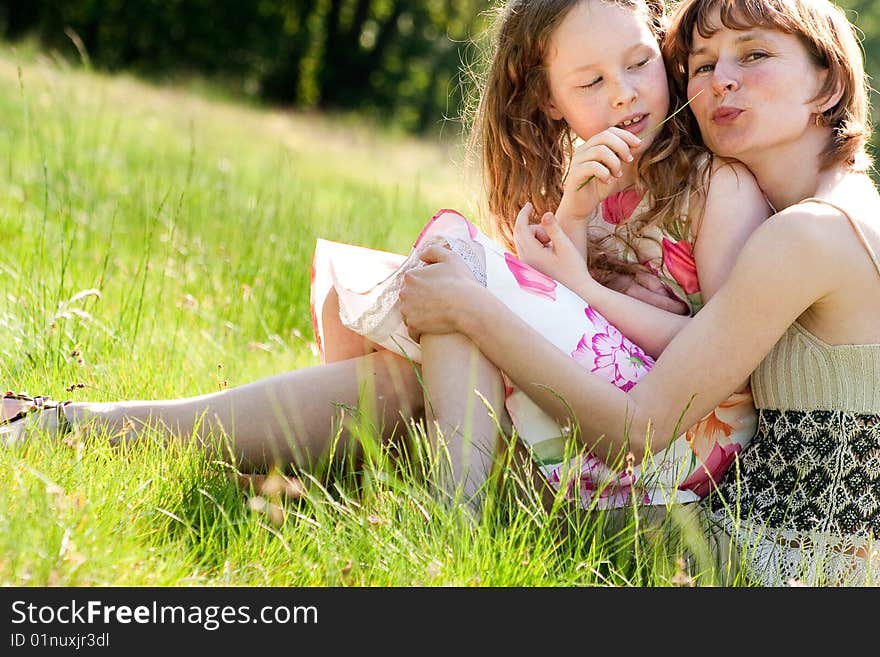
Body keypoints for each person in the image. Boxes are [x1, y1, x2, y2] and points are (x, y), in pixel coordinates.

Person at [2, 0, 769, 514]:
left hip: (674, 451)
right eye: (591, 82)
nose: (625, 94)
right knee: (404, 365)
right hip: (574, 419)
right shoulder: (577, 183)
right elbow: (543, 318)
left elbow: (725, 359)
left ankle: (452, 518)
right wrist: (570, 220)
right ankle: (82, 422)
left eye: (638, 63)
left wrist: (573, 281)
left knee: (452, 264)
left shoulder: (716, 187)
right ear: (549, 102)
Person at [397, 0, 880, 585]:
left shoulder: (808, 234)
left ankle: (445, 545)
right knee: (414, 384)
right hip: (748, 536)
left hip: (761, 565)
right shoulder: (838, 212)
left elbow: (635, 434)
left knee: (451, 306)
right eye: (701, 66)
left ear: (827, 82)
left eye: (754, 55)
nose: (722, 79)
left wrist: (471, 310)